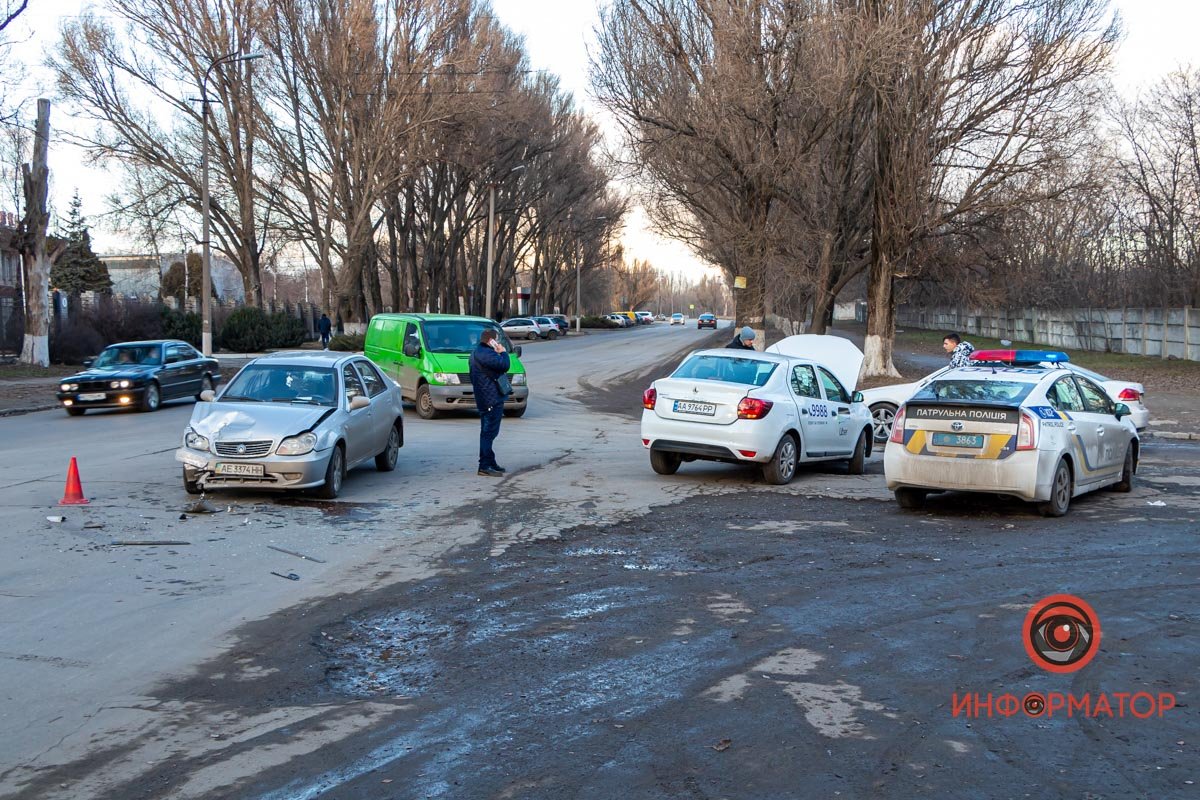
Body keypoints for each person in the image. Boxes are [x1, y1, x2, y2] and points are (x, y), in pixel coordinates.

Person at [469, 329, 511, 477]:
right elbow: (504, 365)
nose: (498, 343)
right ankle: (485, 465)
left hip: (484, 397)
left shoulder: (476, 353)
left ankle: (489, 461)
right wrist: (503, 352)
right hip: (490, 399)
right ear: (490, 341)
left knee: (487, 432)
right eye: (496, 340)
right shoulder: (487, 353)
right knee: (489, 433)